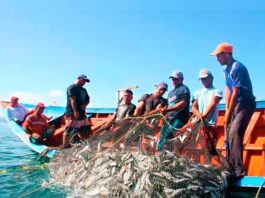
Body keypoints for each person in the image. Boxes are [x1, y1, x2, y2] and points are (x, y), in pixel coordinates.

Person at [210, 42, 255, 178]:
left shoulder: (237, 67)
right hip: (236, 104)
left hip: (245, 103)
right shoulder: (226, 70)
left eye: (218, 55)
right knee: (229, 132)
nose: (217, 58)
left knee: (235, 132)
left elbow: (236, 92)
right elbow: (228, 90)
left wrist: (228, 115)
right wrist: (228, 108)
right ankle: (230, 167)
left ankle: (239, 170)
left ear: (227, 54)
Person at [156, 70, 190, 151]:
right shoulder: (170, 93)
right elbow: (168, 106)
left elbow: (183, 103)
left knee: (171, 138)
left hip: (179, 118)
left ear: (182, 79)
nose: (174, 81)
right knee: (162, 137)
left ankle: (169, 157)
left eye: (176, 79)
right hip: (169, 119)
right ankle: (160, 155)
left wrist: (168, 110)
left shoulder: (184, 89)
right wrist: (165, 112)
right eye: (172, 79)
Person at [191, 69, 223, 155]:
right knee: (198, 147)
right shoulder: (197, 92)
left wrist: (203, 116)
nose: (203, 80)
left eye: (205, 78)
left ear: (211, 78)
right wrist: (198, 115)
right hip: (199, 124)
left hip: (210, 124)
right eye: (201, 79)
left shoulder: (217, 91)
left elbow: (213, 103)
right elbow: (193, 107)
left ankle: (209, 163)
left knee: (209, 148)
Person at [63, 74, 92, 147]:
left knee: (85, 129)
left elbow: (88, 99)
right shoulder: (72, 87)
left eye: (85, 81)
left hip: (82, 112)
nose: (84, 82)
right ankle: (65, 147)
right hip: (72, 112)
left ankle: (86, 145)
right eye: (83, 80)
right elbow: (72, 100)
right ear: (78, 78)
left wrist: (85, 105)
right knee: (69, 130)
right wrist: (75, 111)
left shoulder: (84, 90)